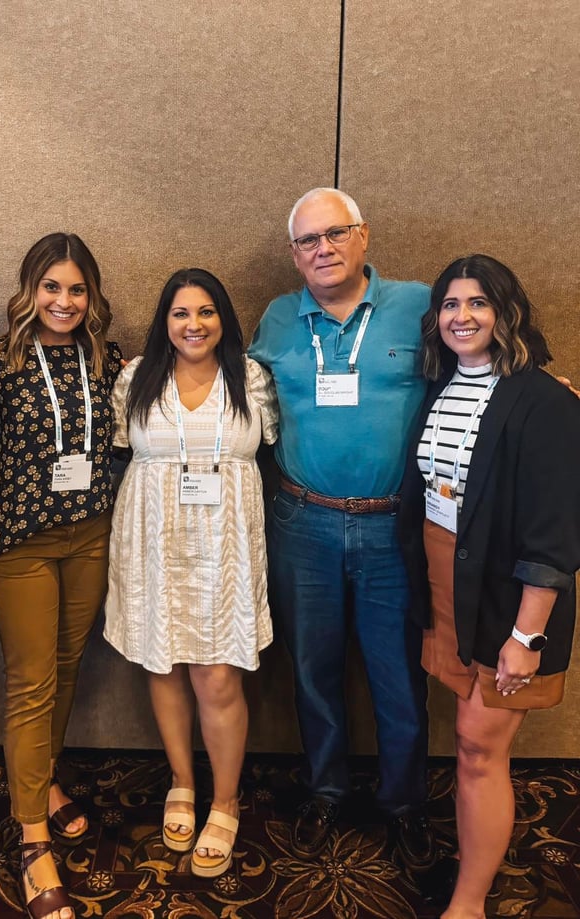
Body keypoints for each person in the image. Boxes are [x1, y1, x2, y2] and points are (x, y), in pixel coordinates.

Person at [248, 187, 435, 866]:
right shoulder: (278, 318)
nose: (322, 249)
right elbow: (234, 386)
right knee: (312, 668)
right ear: (294, 253)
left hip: (392, 529)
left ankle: (404, 804)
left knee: (398, 675)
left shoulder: (418, 305)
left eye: (335, 233)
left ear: (364, 236)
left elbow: (482, 354)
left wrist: (541, 390)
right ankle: (326, 790)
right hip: (303, 523)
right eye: (308, 240)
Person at [398, 255, 580, 919]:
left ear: (508, 312)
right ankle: (472, 865)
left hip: (509, 595)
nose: (462, 316)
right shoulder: (440, 384)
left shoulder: (546, 401)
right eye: (451, 303)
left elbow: (554, 536)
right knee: (470, 743)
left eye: (478, 302)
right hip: (448, 582)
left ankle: (468, 903)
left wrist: (527, 636)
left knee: (479, 746)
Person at [104, 268, 278, 878]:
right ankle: (182, 780)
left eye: (206, 312)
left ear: (223, 319)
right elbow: (119, 449)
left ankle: (225, 801)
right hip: (153, 537)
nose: (194, 324)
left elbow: (275, 446)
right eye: (181, 313)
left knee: (217, 674)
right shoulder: (136, 377)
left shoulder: (251, 378)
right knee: (164, 663)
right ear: (165, 321)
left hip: (227, 542)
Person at [0, 233, 122, 919]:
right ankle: (33, 839)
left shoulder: (105, 358)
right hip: (23, 542)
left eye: (76, 289)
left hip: (90, 532)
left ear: (91, 296)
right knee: (31, 680)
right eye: (51, 287)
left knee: (66, 668)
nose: (64, 301)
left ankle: (43, 782)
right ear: (30, 290)